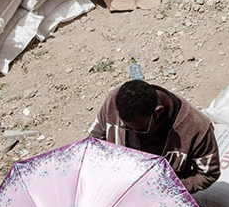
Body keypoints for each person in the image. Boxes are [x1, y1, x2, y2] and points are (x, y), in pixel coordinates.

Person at [89, 79, 221, 193]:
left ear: (159, 111)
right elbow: (94, 142)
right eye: (127, 129)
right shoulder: (113, 102)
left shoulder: (196, 127)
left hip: (163, 198)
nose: (134, 134)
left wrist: (166, 188)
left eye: (141, 130)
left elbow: (208, 174)